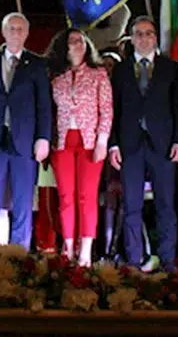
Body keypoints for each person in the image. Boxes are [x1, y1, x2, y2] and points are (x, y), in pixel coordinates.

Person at [108, 16, 178, 270]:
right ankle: (134, 262)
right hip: (130, 146)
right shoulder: (120, 70)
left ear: (155, 38)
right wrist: (113, 144)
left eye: (149, 33)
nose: (144, 38)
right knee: (132, 206)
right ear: (131, 39)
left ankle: (167, 262)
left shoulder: (170, 68)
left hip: (162, 145)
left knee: (166, 206)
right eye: (139, 34)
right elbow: (113, 110)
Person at [0, 12, 52, 248]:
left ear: (27, 33)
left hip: (25, 142)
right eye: (11, 29)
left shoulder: (37, 64)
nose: (16, 33)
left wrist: (43, 138)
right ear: (3, 32)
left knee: (23, 202)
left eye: (20, 29)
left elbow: (44, 105)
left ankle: (19, 255)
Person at [48, 28, 112, 265]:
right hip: (62, 142)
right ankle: (68, 247)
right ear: (63, 47)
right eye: (73, 41)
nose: (78, 45)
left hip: (90, 142)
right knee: (66, 196)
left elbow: (106, 110)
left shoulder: (99, 74)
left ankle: (85, 250)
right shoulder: (56, 76)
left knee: (87, 196)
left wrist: (102, 141)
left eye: (82, 41)